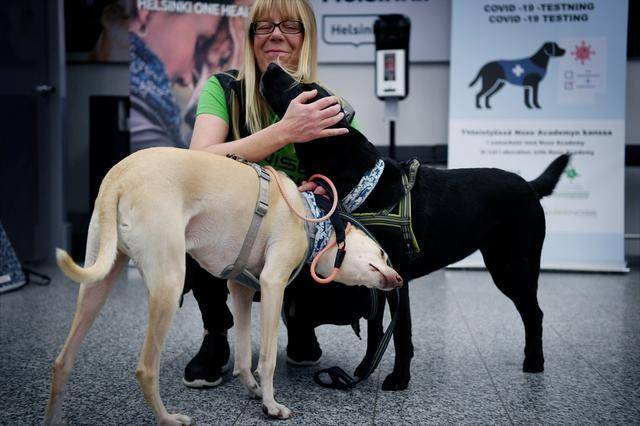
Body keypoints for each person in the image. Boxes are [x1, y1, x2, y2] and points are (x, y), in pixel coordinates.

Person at [184, 0, 357, 388]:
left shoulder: (329, 107)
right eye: (263, 26)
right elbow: (198, 160)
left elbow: (346, 184)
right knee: (196, 214)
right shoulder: (224, 88)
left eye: (290, 26)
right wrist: (284, 131)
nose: (276, 34)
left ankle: (300, 320)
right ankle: (215, 335)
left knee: (335, 229)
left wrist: (322, 191)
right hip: (228, 229)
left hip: (294, 232)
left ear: (306, 38)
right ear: (250, 38)